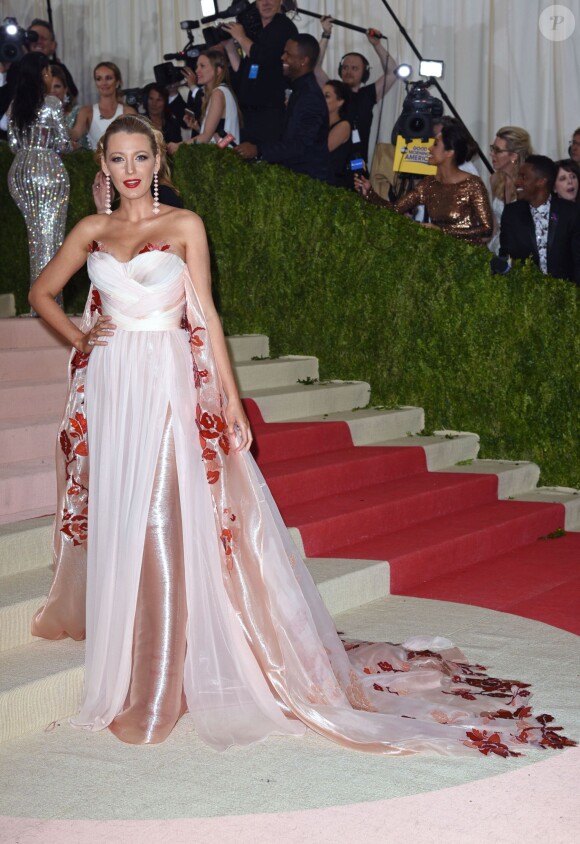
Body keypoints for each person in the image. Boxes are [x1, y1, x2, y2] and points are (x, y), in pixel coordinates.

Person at [27, 113, 575, 756]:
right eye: (117, 160)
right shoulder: (91, 229)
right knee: (127, 514)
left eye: (139, 158)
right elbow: (43, 293)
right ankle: (135, 648)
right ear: (103, 166)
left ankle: (161, 680)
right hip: (114, 387)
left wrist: (230, 403)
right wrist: (84, 338)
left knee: (162, 514)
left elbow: (204, 311)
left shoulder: (184, 226)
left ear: (158, 162)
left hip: (171, 384)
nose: (129, 171)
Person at [356, 118, 493, 246]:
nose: (429, 148)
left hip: (469, 259)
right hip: (439, 255)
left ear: (449, 152)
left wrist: (442, 231)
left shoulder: (473, 184)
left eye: (435, 145)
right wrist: (369, 193)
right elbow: (395, 209)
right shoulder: (429, 184)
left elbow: (486, 229)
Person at [7, 52, 71, 311]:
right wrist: (52, 145)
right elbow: (64, 143)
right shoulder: (52, 104)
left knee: (36, 237)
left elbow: (12, 144)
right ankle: (48, 303)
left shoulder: (15, 105)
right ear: (40, 74)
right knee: (51, 237)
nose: (49, 76)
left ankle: (38, 300)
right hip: (48, 170)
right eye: (46, 72)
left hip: (20, 173)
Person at [236, 35, 331, 183]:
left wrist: (258, 150)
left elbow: (300, 145)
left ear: (303, 61)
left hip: (309, 181)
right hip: (296, 176)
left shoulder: (310, 97)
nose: (282, 57)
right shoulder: (300, 89)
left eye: (288, 54)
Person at [315, 16, 398, 166]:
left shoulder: (368, 94)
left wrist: (376, 44)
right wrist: (326, 34)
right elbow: (314, 68)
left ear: (364, 73)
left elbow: (393, 71)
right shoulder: (334, 91)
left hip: (357, 162)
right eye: (345, 67)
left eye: (354, 68)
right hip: (331, 159)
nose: (348, 72)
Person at [222, 0, 298, 145]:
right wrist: (230, 47)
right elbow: (245, 71)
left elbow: (264, 58)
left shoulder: (283, 26)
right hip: (247, 113)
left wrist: (241, 37)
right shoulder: (256, 30)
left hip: (269, 113)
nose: (266, 3)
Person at [500, 155, 580, 285]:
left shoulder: (570, 213)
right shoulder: (511, 213)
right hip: (526, 296)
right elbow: (506, 257)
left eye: (524, 177)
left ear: (542, 181)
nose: (517, 182)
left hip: (565, 296)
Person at [167, 50, 240, 152]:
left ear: (218, 70)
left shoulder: (218, 93)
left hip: (222, 160)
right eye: (197, 66)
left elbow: (206, 136)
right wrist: (197, 128)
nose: (197, 71)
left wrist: (178, 146)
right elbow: (220, 134)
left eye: (202, 66)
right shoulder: (220, 92)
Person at [71, 61, 137, 151]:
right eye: (99, 79)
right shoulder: (86, 111)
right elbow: (75, 134)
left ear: (117, 82)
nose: (104, 83)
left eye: (108, 78)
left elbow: (136, 140)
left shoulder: (128, 112)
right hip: (93, 163)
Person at [488, 126, 533, 254]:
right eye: (492, 148)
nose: (492, 154)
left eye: (497, 150)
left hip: (521, 251)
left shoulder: (529, 185)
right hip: (496, 247)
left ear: (514, 156)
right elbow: (495, 224)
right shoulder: (495, 179)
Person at [27, 18, 78, 100]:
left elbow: (72, 94)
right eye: (34, 38)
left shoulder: (59, 68)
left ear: (53, 45)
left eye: (43, 39)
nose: (38, 42)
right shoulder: (15, 67)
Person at [324, 79, 352, 189]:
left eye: (326, 96)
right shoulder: (319, 124)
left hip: (337, 187)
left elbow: (322, 149)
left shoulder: (343, 126)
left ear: (340, 101)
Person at [50, 64, 82, 142]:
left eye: (57, 86)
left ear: (65, 89)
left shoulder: (78, 113)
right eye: (49, 87)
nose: (52, 91)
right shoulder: (39, 117)